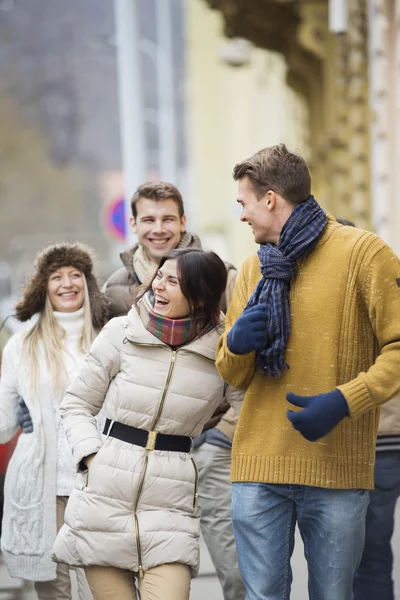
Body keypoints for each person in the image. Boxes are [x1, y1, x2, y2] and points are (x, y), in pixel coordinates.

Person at [215, 143, 400, 600]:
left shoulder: (366, 253)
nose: (242, 215)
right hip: (258, 467)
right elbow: (232, 374)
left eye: (244, 203)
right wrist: (237, 345)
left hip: (336, 468)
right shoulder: (254, 268)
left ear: (271, 198)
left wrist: (344, 401)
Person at [52, 247, 244, 600]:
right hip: (103, 498)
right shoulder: (120, 332)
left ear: (201, 295)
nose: (159, 286)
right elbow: (76, 403)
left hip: (171, 501)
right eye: (160, 276)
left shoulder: (222, 349)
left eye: (173, 281)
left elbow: (251, 409)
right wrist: (92, 458)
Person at [102, 181, 245, 600]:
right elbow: (102, 368)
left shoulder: (223, 275)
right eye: (148, 219)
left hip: (211, 446)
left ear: (183, 221)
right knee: (138, 566)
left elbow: (243, 362)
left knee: (235, 565)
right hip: (140, 457)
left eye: (168, 218)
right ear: (133, 223)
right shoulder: (114, 289)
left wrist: (222, 434)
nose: (158, 228)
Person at [0, 243, 108, 600]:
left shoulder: (109, 339)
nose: (67, 283)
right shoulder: (21, 345)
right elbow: (2, 424)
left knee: (100, 585)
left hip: (98, 482)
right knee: (54, 589)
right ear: (43, 287)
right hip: (41, 486)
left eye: (75, 275)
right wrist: (17, 415)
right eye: (57, 276)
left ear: (87, 283)